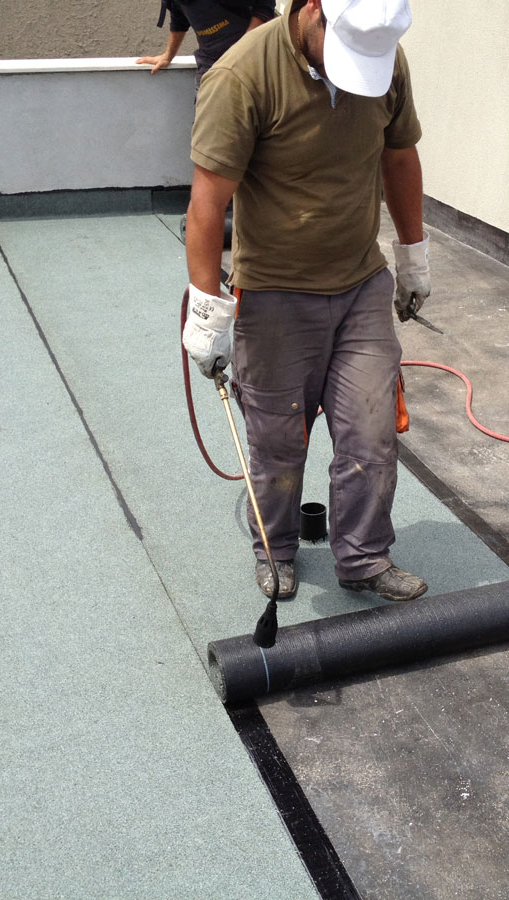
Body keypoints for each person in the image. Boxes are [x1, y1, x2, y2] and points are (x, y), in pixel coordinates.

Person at [181, 0, 432, 603]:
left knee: (372, 433)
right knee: (277, 441)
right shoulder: (242, 75)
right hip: (274, 295)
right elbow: (208, 202)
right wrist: (206, 312)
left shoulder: (384, 57)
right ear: (314, 7)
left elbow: (400, 157)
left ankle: (364, 557)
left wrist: (413, 255)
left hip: (360, 283)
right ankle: (275, 549)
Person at [137, 0, 278, 86]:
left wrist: (245, 46)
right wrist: (168, 56)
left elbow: (264, 5)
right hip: (210, 69)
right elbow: (179, 19)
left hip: (255, 67)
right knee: (205, 125)